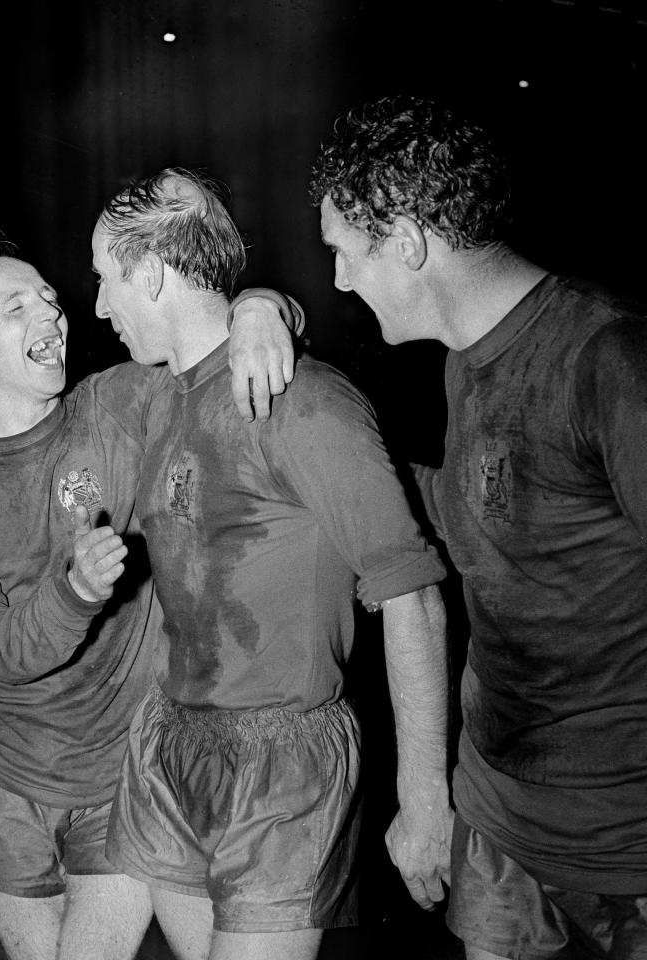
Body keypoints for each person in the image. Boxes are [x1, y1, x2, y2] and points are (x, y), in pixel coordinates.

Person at [0, 234, 301, 960]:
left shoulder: (120, 401)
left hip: (122, 768)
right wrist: (75, 591)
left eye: (48, 296)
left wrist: (265, 308)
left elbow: (208, 348)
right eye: (16, 308)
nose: (51, 313)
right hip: (6, 769)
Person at [309, 95, 647, 960]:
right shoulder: (469, 361)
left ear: (412, 246)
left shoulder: (609, 356)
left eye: (345, 255)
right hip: (500, 810)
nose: (340, 280)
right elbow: (494, 517)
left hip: (624, 836)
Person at [92, 168, 453, 960]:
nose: (98, 306)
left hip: (282, 764)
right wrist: (267, 300)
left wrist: (425, 800)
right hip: (171, 740)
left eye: (105, 279)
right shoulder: (160, 397)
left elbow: (412, 596)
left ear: (149, 273)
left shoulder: (306, 400)